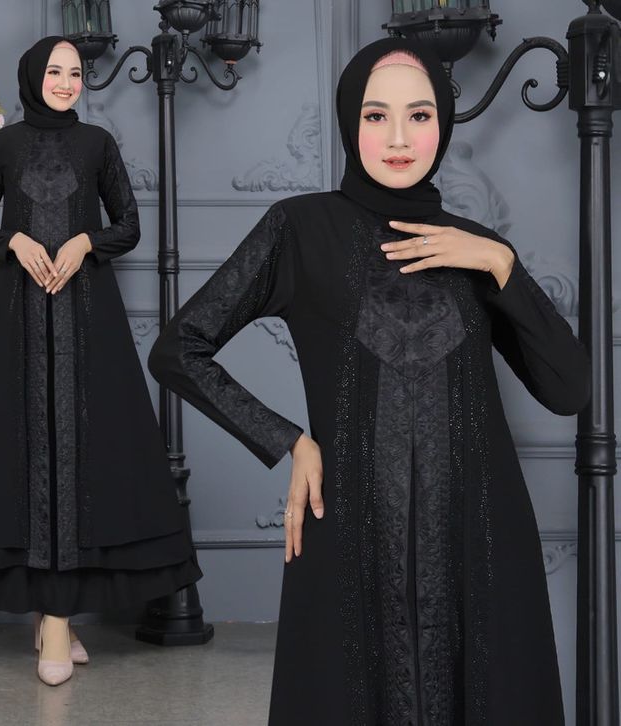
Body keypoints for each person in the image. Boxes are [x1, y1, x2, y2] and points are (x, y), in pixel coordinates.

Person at [148, 37, 589, 725]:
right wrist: (290, 441)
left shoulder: (477, 249)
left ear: (443, 123)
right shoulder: (300, 229)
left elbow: (569, 390)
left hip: (480, 540)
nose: (399, 138)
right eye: (376, 115)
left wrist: (503, 266)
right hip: (349, 536)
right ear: (350, 121)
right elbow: (179, 348)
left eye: (420, 115)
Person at [0, 36, 201, 687]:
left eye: (75, 72)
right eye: (55, 71)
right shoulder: (3, 146)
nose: (67, 82)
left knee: (85, 458)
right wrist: (15, 240)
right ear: (33, 76)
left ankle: (57, 618)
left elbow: (128, 224)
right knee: (26, 457)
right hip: (17, 321)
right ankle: (55, 621)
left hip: (88, 319)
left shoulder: (98, 143)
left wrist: (85, 242)